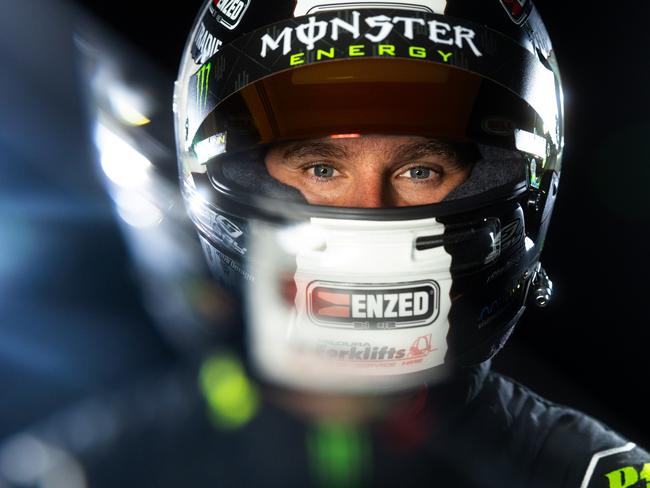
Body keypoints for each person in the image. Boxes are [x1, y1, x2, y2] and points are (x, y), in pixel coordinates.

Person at [170, 1, 650, 486]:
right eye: (323, 170)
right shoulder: (118, 460)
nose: (369, 211)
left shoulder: (595, 473)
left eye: (420, 171)